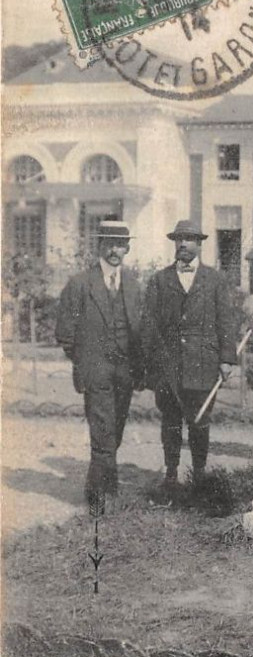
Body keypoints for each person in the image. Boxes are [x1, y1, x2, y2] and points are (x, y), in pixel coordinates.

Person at [142, 219, 239, 495]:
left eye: (189, 239)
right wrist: (152, 363)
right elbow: (148, 323)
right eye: (179, 239)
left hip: (203, 363)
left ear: (199, 244)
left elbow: (226, 321)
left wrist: (227, 359)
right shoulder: (159, 280)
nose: (183, 244)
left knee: (199, 421)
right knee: (170, 421)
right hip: (168, 365)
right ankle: (170, 475)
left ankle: (199, 474)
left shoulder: (215, 281)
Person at [55, 219, 143, 511]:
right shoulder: (80, 283)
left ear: (127, 248)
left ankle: (108, 483)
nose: (115, 250)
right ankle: (98, 496)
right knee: (102, 430)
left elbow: (139, 328)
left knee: (115, 429)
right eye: (109, 244)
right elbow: (65, 332)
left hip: (124, 371)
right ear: (100, 246)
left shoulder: (131, 284)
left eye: (120, 244)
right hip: (96, 370)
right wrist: (84, 361)